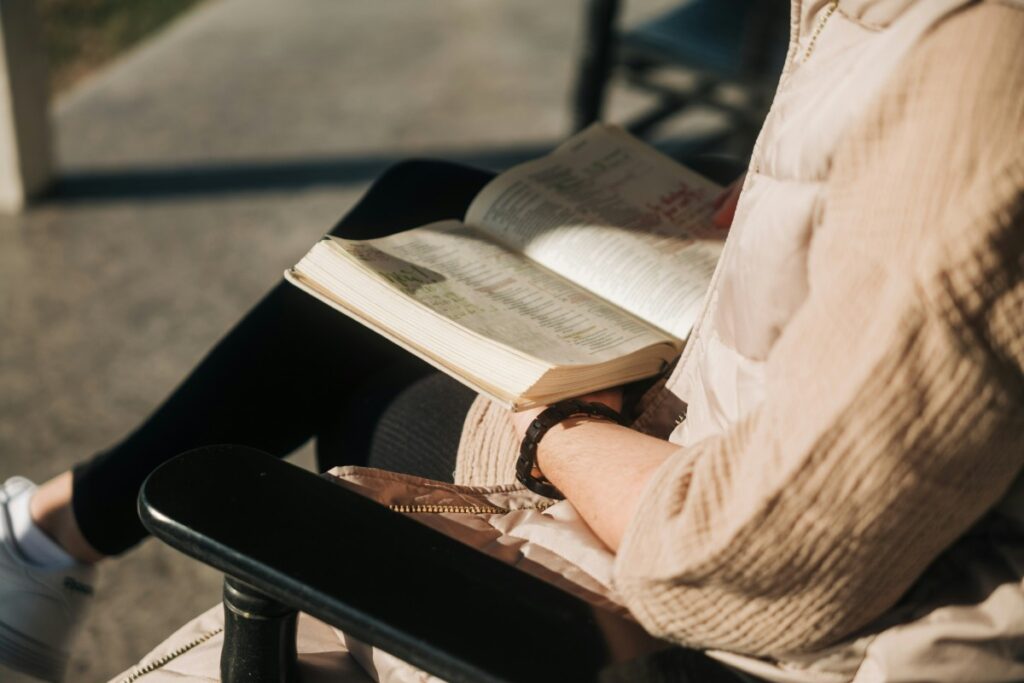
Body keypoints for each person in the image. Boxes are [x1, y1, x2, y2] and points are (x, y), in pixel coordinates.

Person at [4, 0, 1024, 681]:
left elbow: (761, 558)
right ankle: (46, 537)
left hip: (763, 600)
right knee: (426, 203)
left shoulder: (983, 67)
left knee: (369, 383)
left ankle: (46, 541)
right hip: (754, 421)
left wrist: (554, 426)